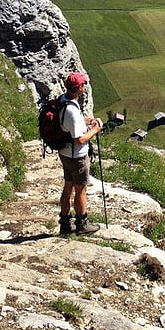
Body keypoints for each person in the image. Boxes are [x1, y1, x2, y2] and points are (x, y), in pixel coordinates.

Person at [58, 72, 104, 235]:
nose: (85, 87)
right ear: (79, 88)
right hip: (76, 156)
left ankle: (64, 224)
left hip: (65, 153)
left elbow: (72, 122)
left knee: (68, 187)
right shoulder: (71, 109)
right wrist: (95, 129)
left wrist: (88, 120)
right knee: (81, 190)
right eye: (84, 84)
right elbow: (79, 139)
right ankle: (82, 224)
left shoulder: (63, 100)